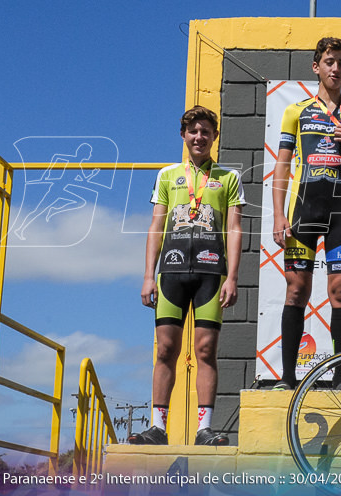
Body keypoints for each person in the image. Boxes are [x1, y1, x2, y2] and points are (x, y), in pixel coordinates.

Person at [271, 37, 341, 390]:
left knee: (340, 291)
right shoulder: (297, 111)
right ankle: (288, 378)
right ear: (316, 67)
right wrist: (278, 215)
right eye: (329, 61)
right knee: (295, 291)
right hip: (304, 207)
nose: (335, 68)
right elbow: (281, 166)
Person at [128, 106, 243, 446]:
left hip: (212, 273)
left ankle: (204, 428)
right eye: (193, 131)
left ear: (214, 136)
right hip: (172, 271)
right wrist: (148, 276)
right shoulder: (167, 175)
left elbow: (235, 229)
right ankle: (158, 428)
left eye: (206, 131)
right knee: (166, 349)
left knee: (206, 350)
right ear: (183, 135)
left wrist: (233, 277)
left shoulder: (228, 177)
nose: (199, 137)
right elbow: (156, 225)